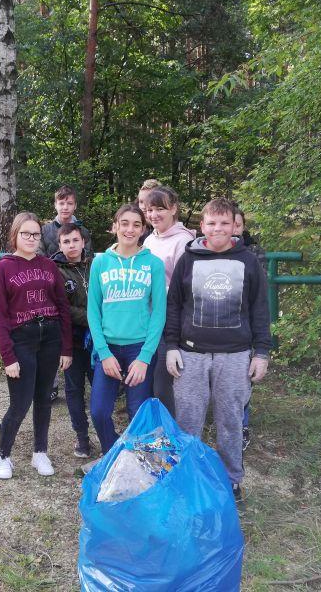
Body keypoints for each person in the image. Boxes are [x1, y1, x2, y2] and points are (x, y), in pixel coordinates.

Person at [165, 198, 271, 502]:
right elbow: (174, 306)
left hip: (235, 355)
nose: (218, 229)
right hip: (191, 355)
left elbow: (260, 309)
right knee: (188, 421)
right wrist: (171, 346)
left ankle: (231, 479)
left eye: (225, 223)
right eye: (211, 223)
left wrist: (261, 353)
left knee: (230, 421)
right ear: (202, 226)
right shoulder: (188, 259)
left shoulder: (248, 261)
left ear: (235, 226)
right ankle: (187, 478)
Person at [0, 212, 73, 479]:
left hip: (50, 337)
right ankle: (3, 455)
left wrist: (66, 348)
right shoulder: (4, 267)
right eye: (25, 233)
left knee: (44, 399)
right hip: (21, 339)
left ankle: (40, 452)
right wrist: (8, 356)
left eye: (36, 234)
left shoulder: (48, 266)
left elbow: (62, 307)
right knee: (20, 402)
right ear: (15, 235)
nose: (31, 238)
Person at [87, 204, 167, 454]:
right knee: (99, 411)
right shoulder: (100, 262)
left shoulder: (153, 264)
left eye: (136, 225)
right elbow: (93, 311)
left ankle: (141, 459)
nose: (130, 229)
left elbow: (159, 313)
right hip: (108, 348)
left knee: (137, 411)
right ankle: (113, 453)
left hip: (139, 349)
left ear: (143, 230)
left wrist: (145, 358)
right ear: (115, 226)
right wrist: (103, 353)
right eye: (124, 223)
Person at [142, 185, 196, 417]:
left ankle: (170, 428)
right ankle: (155, 424)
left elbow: (185, 287)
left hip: (171, 320)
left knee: (164, 379)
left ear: (173, 209)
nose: (154, 215)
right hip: (149, 317)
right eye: (149, 210)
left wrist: (154, 291)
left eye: (160, 209)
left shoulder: (183, 241)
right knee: (151, 375)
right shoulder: (149, 240)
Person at [51, 222, 94, 458]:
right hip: (73, 341)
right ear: (60, 245)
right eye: (66, 242)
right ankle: (82, 437)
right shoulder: (55, 270)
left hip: (99, 341)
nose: (72, 245)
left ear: (83, 242)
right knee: (74, 391)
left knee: (102, 388)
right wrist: (92, 318)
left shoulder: (95, 265)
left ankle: (105, 431)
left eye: (75, 240)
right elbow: (62, 308)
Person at [232, 205, 267, 451]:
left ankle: (242, 424)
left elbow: (258, 294)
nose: (232, 229)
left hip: (245, 324)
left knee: (243, 380)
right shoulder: (206, 253)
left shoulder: (253, 254)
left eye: (237, 224)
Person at [40, 185, 93, 257]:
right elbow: (39, 258)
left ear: (75, 206)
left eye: (70, 203)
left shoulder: (84, 232)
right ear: (55, 205)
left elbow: (88, 259)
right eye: (61, 203)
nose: (65, 207)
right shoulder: (44, 231)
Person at [136, 178, 161, 245]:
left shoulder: (166, 230)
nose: (143, 207)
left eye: (148, 201)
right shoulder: (134, 229)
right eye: (141, 202)